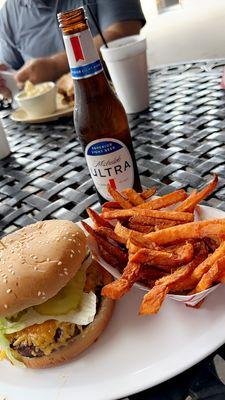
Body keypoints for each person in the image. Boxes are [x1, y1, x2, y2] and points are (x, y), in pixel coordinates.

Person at [0, 0, 145, 91]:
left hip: (120, 96)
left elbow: (124, 33)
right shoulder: (7, 14)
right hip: (46, 125)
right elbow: (9, 69)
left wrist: (55, 66)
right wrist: (7, 84)